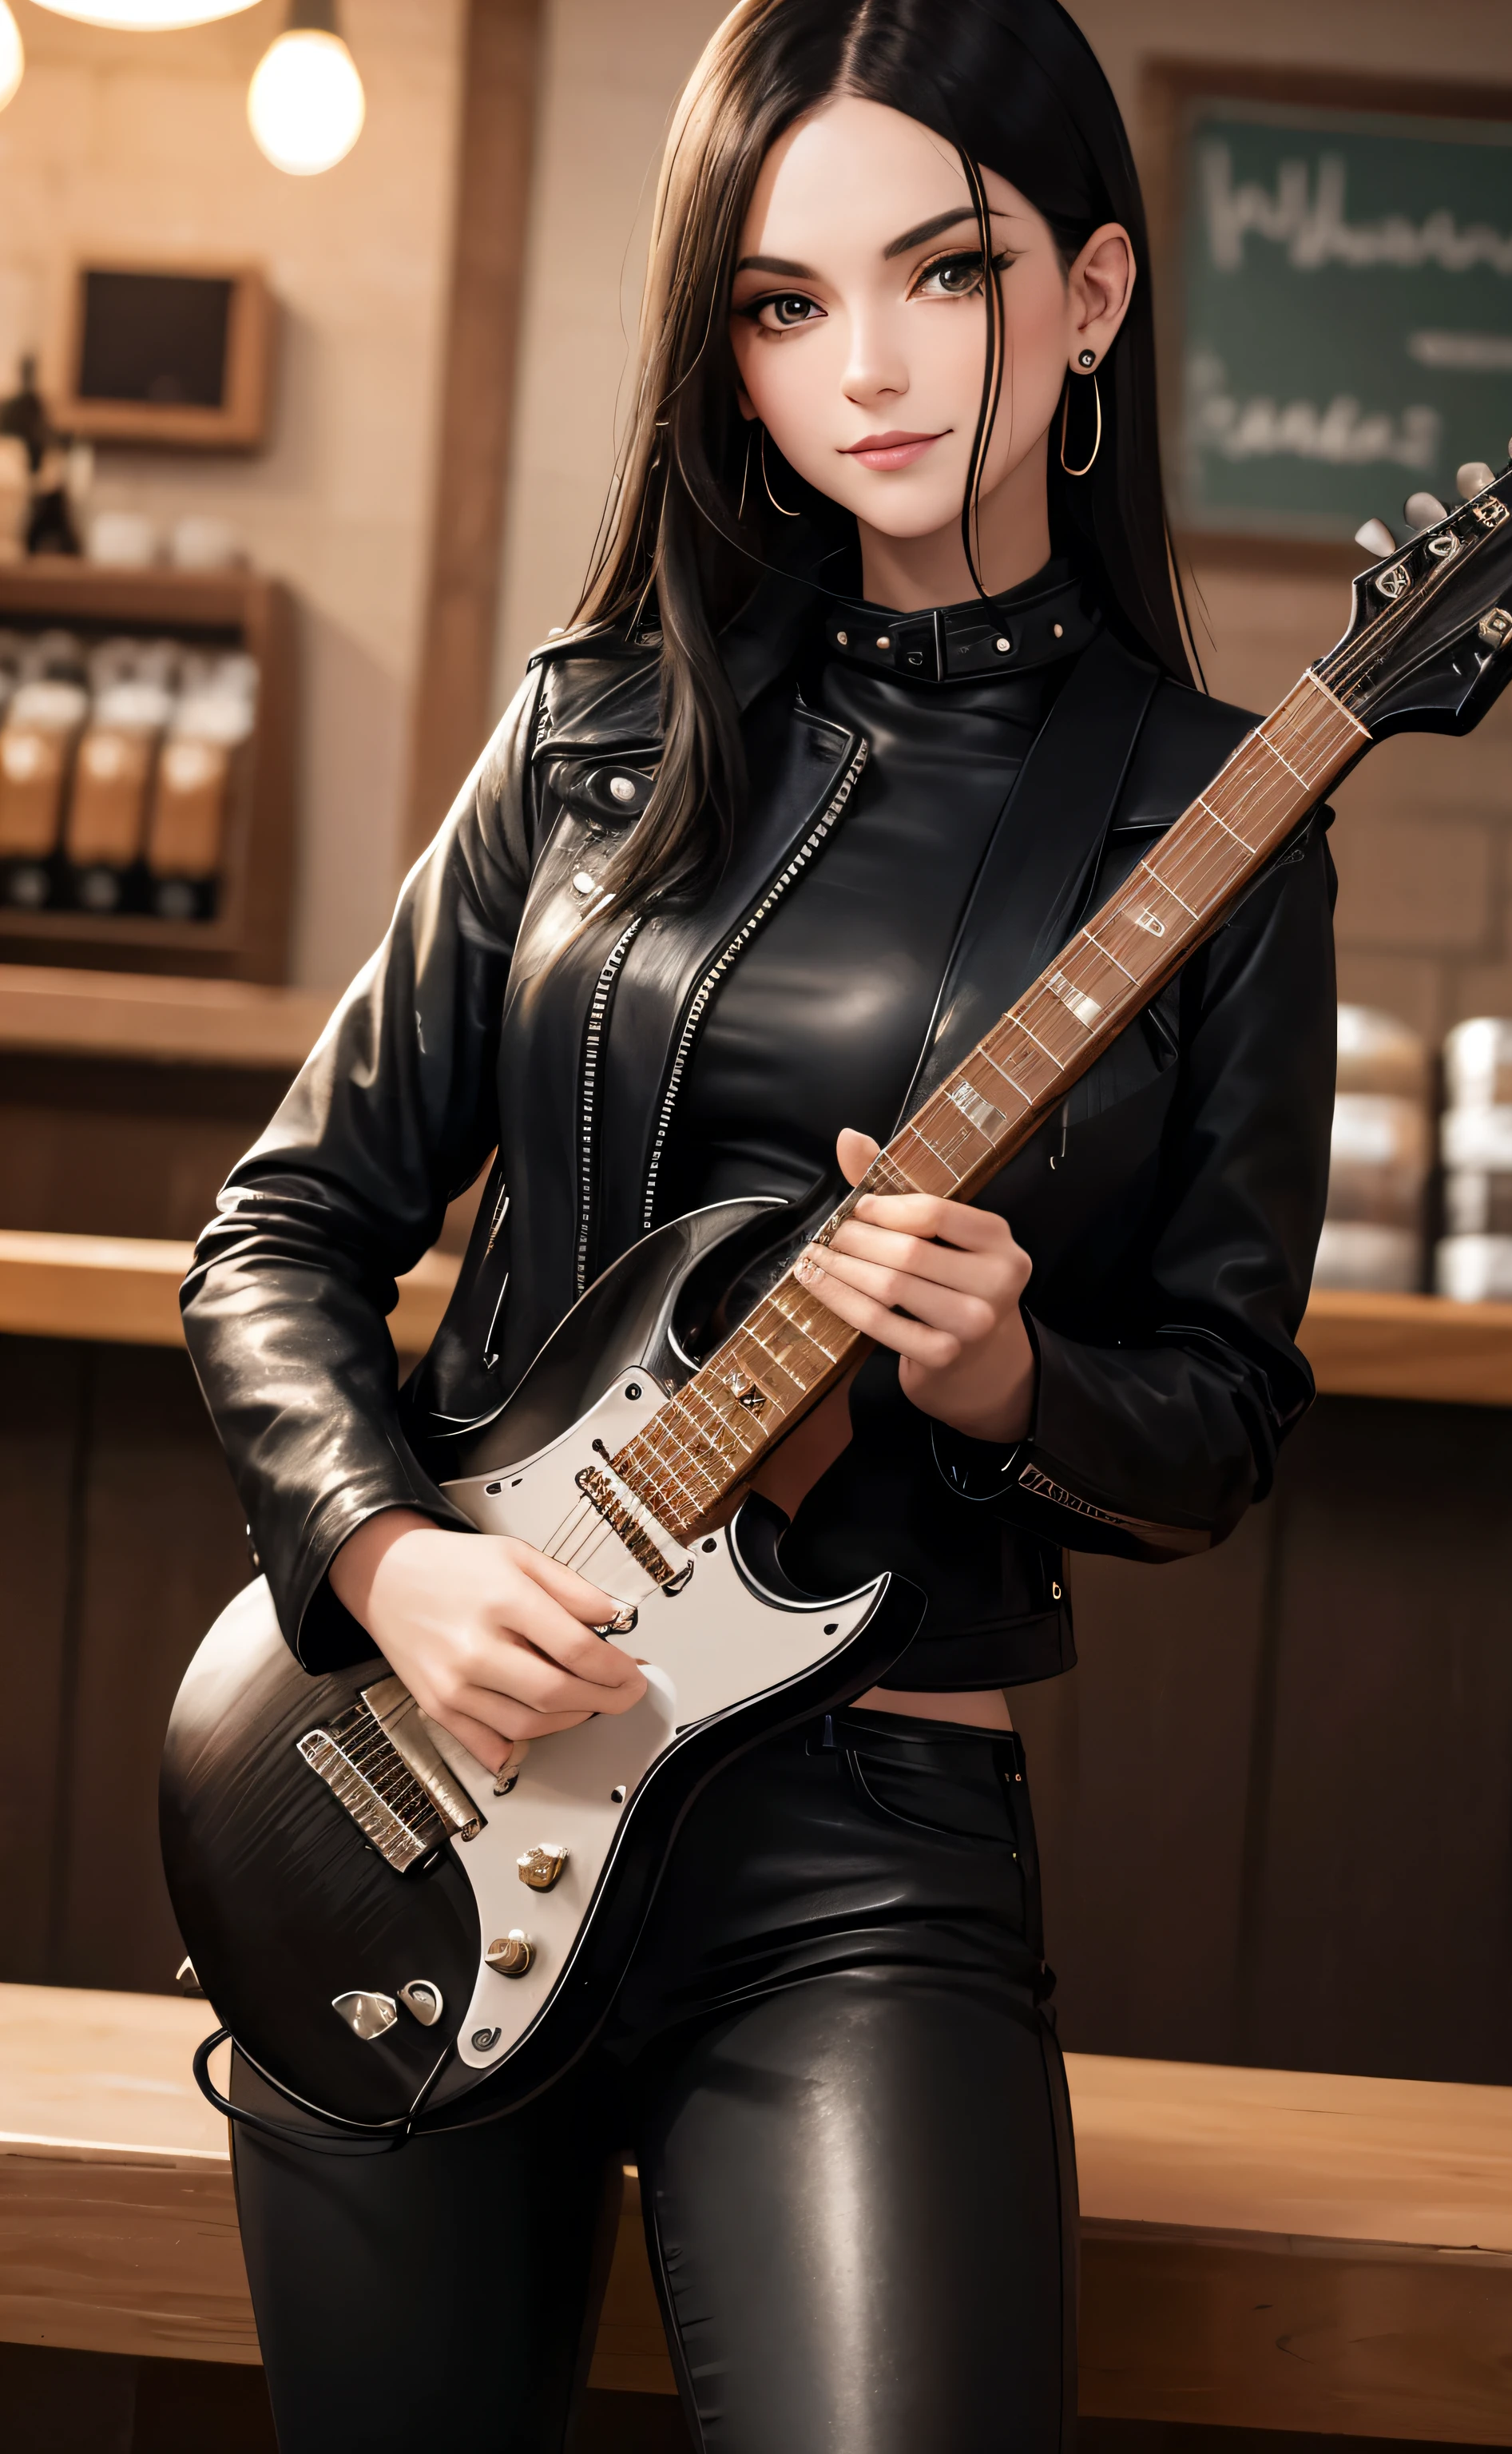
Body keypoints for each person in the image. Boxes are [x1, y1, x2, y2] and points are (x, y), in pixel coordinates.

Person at [181, 2, 1335, 2445]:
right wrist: (394, 1559)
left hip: (862, 1865)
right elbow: (279, 1231)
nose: (870, 368)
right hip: (418, 1774)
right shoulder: (591, 729)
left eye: (945, 272)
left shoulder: (1222, 827)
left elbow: (1223, 1419)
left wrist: (1016, 1378)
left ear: (1097, 293)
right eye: (785, 304)